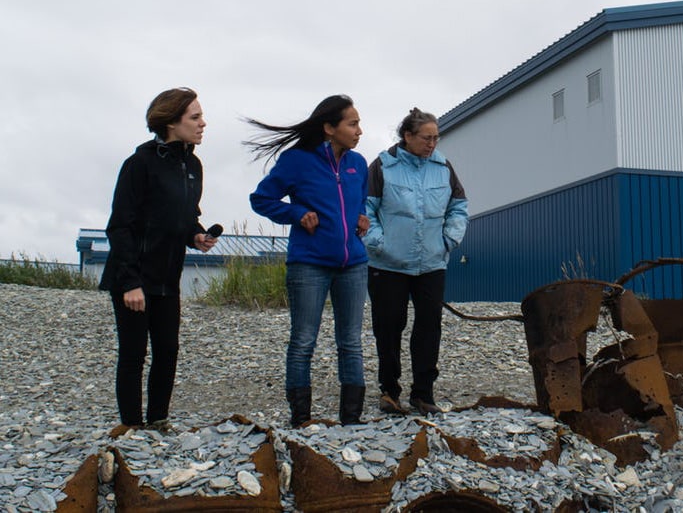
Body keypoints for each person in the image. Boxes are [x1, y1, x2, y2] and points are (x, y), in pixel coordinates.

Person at [246, 95, 371, 427]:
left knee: (351, 341)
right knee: (303, 340)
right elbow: (261, 199)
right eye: (353, 123)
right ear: (330, 128)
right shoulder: (297, 161)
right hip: (309, 264)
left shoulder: (358, 163)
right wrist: (296, 213)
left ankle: (351, 419)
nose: (360, 130)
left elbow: (360, 201)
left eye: (358, 123)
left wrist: (362, 215)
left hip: (353, 263)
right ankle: (301, 418)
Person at [100, 87, 218, 430]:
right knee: (134, 354)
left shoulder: (192, 164)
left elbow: (182, 216)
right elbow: (119, 227)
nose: (203, 124)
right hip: (133, 277)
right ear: (170, 122)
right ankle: (131, 427)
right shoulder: (139, 164)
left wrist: (195, 235)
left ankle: (158, 420)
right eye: (194, 117)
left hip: (168, 276)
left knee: (167, 350)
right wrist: (130, 282)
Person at [363, 107, 468, 415]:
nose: (432, 144)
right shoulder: (383, 166)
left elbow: (459, 207)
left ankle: (423, 394)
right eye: (426, 138)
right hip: (387, 264)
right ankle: (389, 391)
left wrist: (449, 240)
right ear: (407, 136)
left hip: (432, 264)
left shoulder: (443, 167)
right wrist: (378, 244)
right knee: (388, 327)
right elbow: (366, 210)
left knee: (429, 328)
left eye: (436, 138)